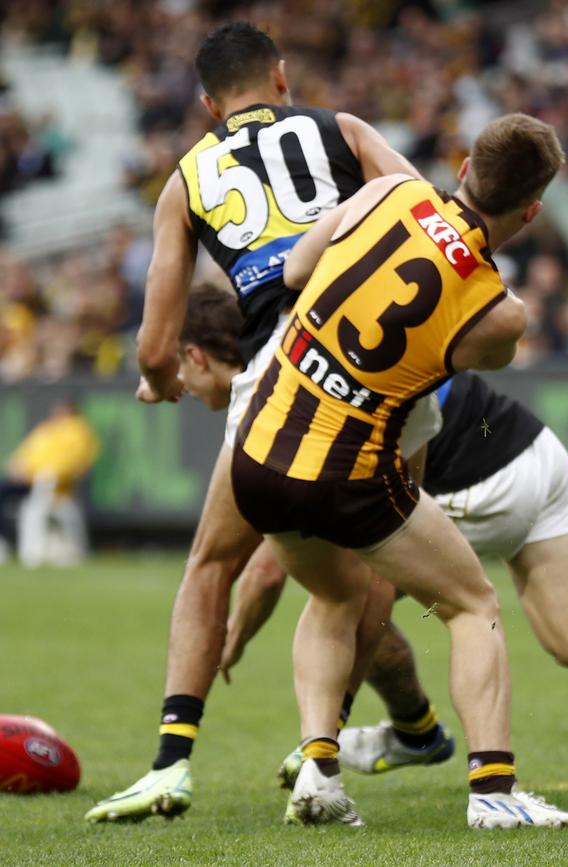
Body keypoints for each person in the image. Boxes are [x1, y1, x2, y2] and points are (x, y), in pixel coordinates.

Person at [85, 21, 439, 823]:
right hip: (386, 356)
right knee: (377, 559)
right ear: (281, 78)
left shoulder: (185, 178)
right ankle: (324, 743)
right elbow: (425, 209)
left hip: (282, 364)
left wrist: (156, 382)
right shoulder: (342, 128)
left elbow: (153, 340)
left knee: (212, 562)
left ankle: (172, 761)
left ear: (209, 103)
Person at [229, 115, 568, 828]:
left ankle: (318, 765)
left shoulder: (386, 195)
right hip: (348, 471)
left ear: (464, 167)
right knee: (472, 603)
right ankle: (494, 792)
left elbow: (298, 270)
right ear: (532, 212)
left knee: (335, 596)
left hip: (257, 450)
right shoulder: (502, 313)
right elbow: (453, 361)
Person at [0, 399, 99, 562]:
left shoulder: (79, 432)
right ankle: (3, 539)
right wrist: (18, 467)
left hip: (55, 486)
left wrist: (42, 473)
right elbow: (25, 453)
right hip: (29, 482)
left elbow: (74, 463)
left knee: (33, 508)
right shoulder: (46, 430)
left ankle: (31, 552)